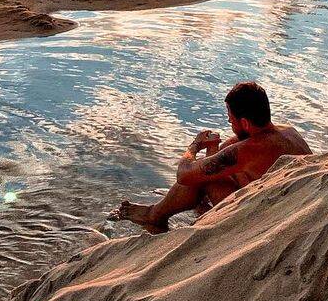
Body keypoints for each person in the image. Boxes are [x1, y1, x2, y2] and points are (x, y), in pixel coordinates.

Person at [113, 81, 310, 234]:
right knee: (212, 169)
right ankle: (198, 208)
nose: (229, 123)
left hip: (261, 217)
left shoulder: (252, 148)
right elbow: (230, 151)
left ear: (244, 122)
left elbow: (184, 173)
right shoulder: (287, 131)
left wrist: (195, 146)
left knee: (199, 178)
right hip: (282, 202)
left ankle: (155, 215)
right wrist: (215, 148)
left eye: (230, 120)